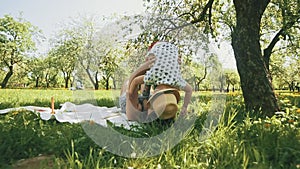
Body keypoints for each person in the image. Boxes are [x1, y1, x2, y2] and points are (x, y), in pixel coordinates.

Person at [143, 41, 193, 118]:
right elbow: (189, 90)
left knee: (149, 98)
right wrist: (184, 107)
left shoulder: (152, 76)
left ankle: (152, 117)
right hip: (168, 81)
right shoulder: (176, 79)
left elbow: (145, 93)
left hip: (159, 84)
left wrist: (147, 111)